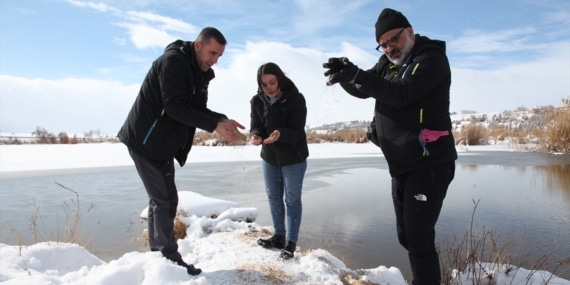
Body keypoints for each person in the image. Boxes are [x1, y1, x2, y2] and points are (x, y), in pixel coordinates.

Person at [322, 8, 457, 285]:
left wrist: (356, 74)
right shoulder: (388, 63)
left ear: (409, 31)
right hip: (401, 164)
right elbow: (363, 88)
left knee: (419, 238)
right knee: (406, 236)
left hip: (429, 162)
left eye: (392, 40)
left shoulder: (430, 59)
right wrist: (345, 75)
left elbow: (401, 94)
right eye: (383, 44)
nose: (388, 48)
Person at [118, 27, 245, 276]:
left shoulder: (200, 73)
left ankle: (160, 258)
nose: (215, 60)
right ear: (198, 46)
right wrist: (214, 125)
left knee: (163, 200)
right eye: (212, 53)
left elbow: (197, 108)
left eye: (219, 55)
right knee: (164, 200)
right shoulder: (173, 62)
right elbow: (175, 107)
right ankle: (169, 259)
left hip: (163, 143)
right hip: (145, 140)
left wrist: (221, 119)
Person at [250, 62, 309, 260]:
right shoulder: (257, 100)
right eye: (264, 84)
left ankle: (290, 244)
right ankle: (278, 237)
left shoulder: (296, 99)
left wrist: (280, 134)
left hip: (294, 158)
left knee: (291, 200)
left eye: (272, 82)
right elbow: (256, 126)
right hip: (269, 158)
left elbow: (298, 132)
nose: (269, 88)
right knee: (273, 197)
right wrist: (255, 136)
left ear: (280, 78)